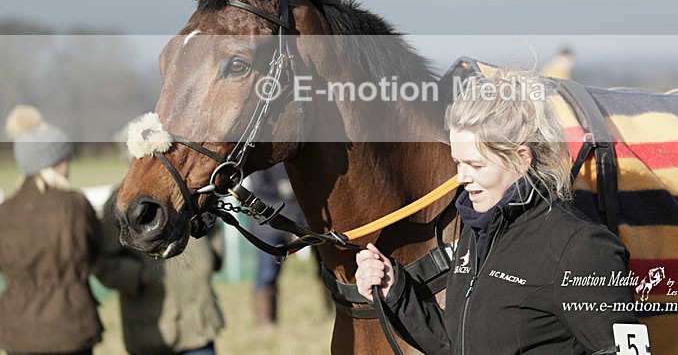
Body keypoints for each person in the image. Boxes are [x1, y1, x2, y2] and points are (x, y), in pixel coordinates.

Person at [355, 69, 638, 354]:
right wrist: (395, 292)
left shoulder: (581, 249)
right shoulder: (474, 236)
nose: (461, 177)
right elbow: (458, 345)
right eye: (457, 163)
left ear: (521, 158)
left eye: (476, 165)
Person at [0, 105, 103, 355]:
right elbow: (96, 252)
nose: (68, 163)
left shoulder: (5, 211)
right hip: (71, 329)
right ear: (53, 162)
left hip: (18, 333)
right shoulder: (75, 204)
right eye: (64, 157)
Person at [94, 184, 225, 355]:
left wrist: (210, 257)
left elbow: (214, 229)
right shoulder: (122, 199)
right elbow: (104, 262)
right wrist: (137, 276)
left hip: (199, 323)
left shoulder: (192, 188)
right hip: (152, 331)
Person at [245, 163, 306, 331]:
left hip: (289, 223)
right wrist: (281, 187)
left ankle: (272, 318)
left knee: (275, 273)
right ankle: (264, 321)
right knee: (267, 272)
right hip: (267, 226)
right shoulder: (263, 157)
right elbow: (258, 185)